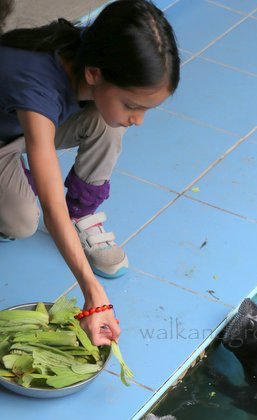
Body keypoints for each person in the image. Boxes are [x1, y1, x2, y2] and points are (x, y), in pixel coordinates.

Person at [0, 0, 180, 345]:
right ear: (94, 74)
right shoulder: (37, 87)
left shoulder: (96, 50)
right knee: (20, 222)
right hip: (9, 133)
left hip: (26, 126)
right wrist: (93, 293)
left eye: (146, 109)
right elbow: (51, 213)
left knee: (108, 120)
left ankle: (82, 214)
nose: (139, 120)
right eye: (133, 105)